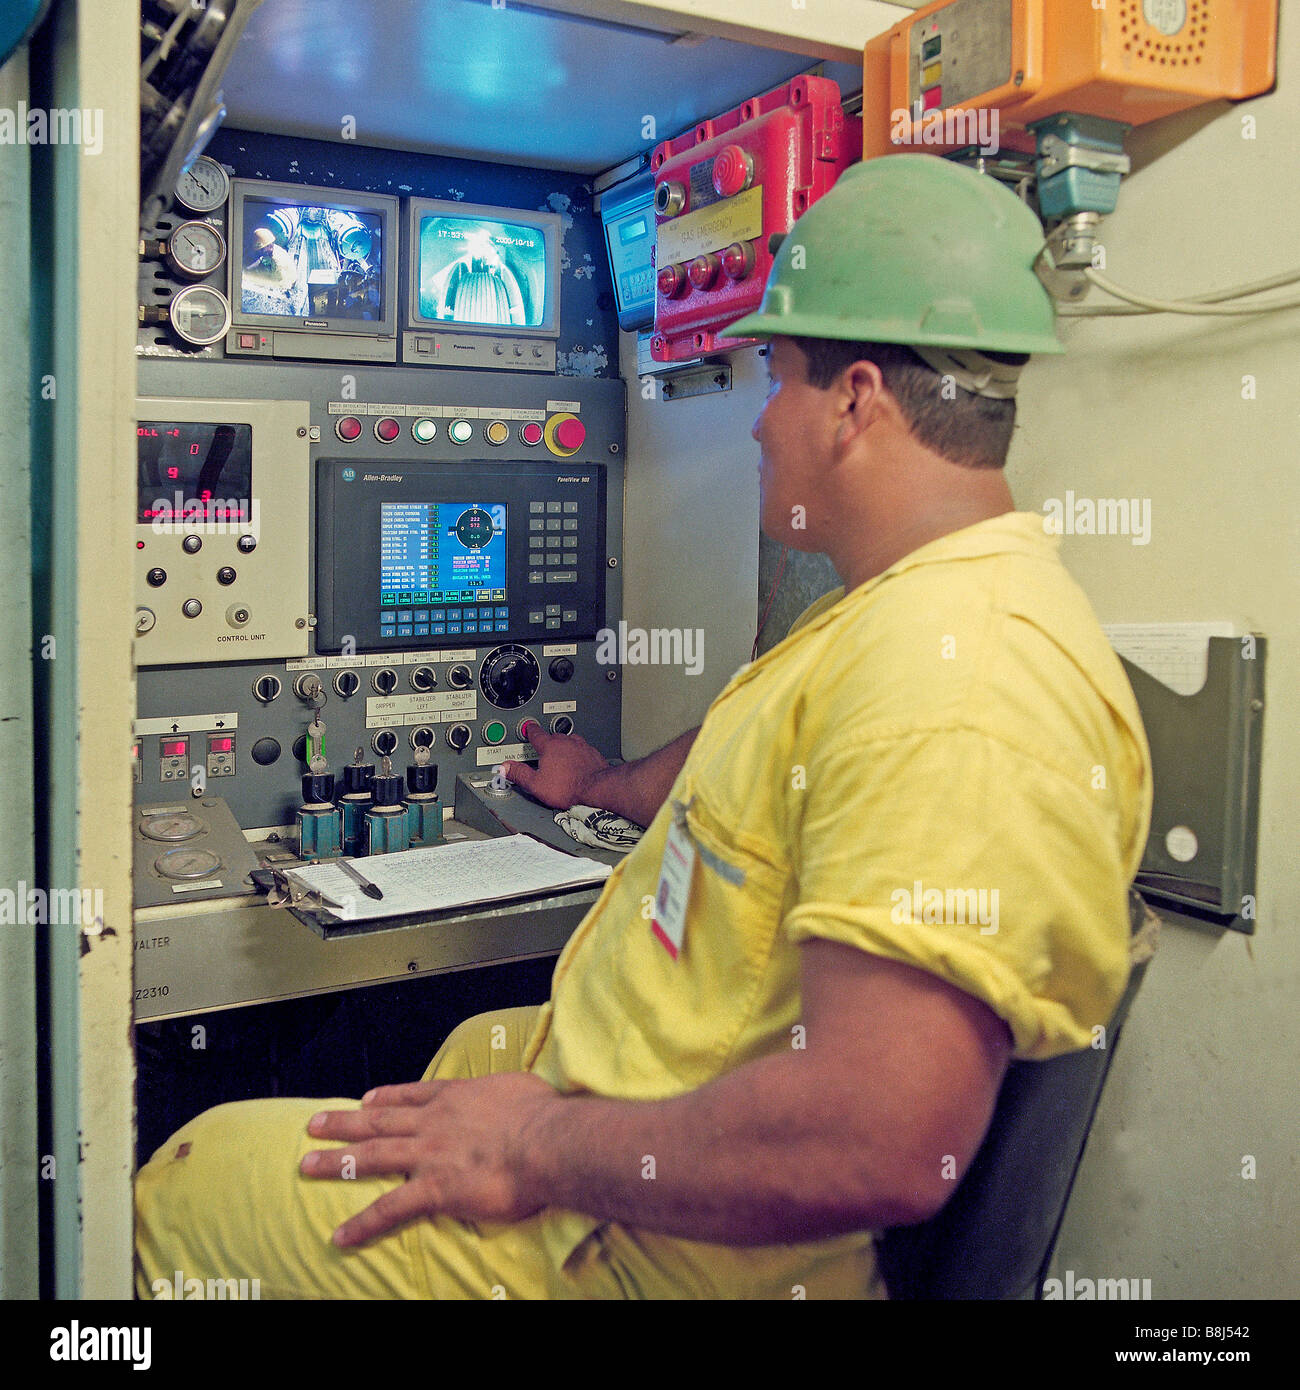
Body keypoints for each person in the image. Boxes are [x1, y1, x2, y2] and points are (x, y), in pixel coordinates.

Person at [135, 154, 1152, 1300]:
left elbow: (881, 1136)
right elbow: (767, 767)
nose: (760, 424)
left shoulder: (962, 677)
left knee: (188, 1176)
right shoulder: (905, 615)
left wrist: (529, 1148)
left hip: (656, 1250)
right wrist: (606, 782)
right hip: (637, 1130)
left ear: (856, 400)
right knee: (469, 1044)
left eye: (776, 380)